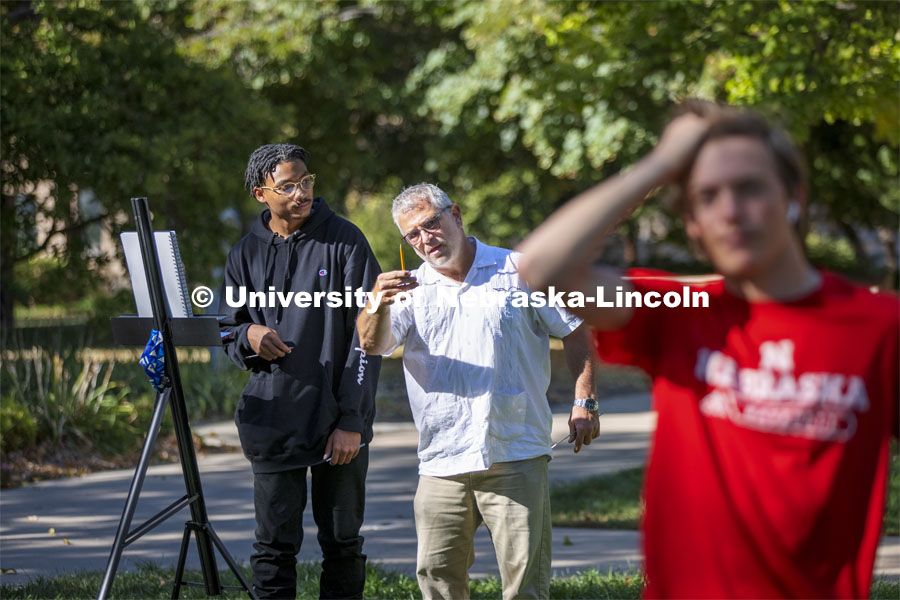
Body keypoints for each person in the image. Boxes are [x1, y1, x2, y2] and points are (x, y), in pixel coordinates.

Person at [516, 101, 899, 598]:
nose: (731, 211)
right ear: (692, 225)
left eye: (750, 187)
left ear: (795, 198)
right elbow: (543, 268)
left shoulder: (879, 326)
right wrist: (661, 163)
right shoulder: (679, 308)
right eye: (707, 197)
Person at [356, 183, 599, 600]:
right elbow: (372, 344)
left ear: (456, 214)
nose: (424, 238)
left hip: (516, 450)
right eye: (412, 234)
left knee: (525, 587)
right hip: (441, 459)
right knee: (438, 580)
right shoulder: (407, 288)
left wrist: (585, 401)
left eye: (431, 222)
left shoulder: (520, 269)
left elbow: (576, 330)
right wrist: (376, 303)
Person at [219, 143, 381, 599]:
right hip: (272, 420)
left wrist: (352, 421)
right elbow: (227, 329)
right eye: (287, 185)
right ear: (260, 193)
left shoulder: (345, 240)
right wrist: (247, 335)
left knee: (343, 545)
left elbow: (369, 337)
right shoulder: (244, 254)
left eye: (305, 181)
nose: (301, 192)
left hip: (337, 423)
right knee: (272, 548)